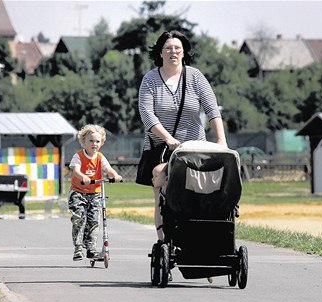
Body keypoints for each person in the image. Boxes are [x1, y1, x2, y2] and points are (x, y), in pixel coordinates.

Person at [136, 30, 228, 242]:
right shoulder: (150, 80)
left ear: (184, 52)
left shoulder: (195, 77)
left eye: (177, 48)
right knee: (162, 193)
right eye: (168, 48)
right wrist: (167, 138)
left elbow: (212, 109)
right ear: (160, 53)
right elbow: (147, 115)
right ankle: (164, 243)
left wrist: (221, 140)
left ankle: (202, 240)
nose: (173, 52)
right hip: (162, 149)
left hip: (195, 147)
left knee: (200, 193)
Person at [69, 124, 123, 261]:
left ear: (102, 143)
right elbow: (75, 170)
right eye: (91, 141)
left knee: (94, 221)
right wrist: (83, 177)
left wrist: (115, 175)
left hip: (95, 193)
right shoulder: (79, 156)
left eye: (97, 141)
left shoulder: (100, 157)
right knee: (79, 218)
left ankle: (91, 248)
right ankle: (78, 247)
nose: (94, 144)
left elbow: (108, 169)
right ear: (84, 141)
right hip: (78, 192)